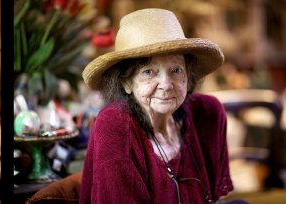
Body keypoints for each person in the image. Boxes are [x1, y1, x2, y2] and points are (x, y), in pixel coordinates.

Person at [80, 8, 234, 203]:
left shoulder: (206, 114)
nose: (166, 85)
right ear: (126, 82)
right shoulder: (114, 126)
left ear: (189, 74)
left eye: (176, 70)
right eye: (149, 72)